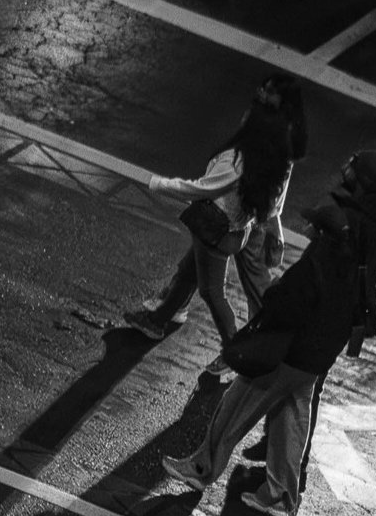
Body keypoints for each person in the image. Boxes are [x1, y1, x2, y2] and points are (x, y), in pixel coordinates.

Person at [160, 149, 376, 516]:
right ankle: (281, 496)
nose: (343, 166)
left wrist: (273, 302)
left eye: (351, 164)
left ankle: (202, 468)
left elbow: (308, 285)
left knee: (241, 396)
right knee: (292, 412)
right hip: (324, 346)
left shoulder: (341, 232)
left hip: (298, 341)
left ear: (360, 178)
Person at [125, 73, 307, 369]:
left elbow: (201, 188)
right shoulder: (276, 159)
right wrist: (277, 234)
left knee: (212, 292)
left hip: (216, 229)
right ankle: (156, 320)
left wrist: (158, 183)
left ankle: (234, 350)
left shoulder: (238, 159)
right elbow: (275, 205)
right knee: (188, 271)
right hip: (235, 230)